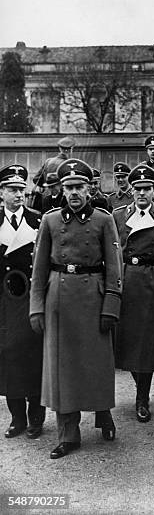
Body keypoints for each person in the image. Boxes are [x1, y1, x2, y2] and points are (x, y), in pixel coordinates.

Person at [29, 158, 122, 459]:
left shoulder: (104, 220)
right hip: (59, 296)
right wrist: (36, 307)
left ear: (90, 189)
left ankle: (102, 412)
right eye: (68, 187)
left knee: (95, 363)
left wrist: (111, 305)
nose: (73, 193)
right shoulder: (50, 220)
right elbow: (39, 268)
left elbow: (114, 267)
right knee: (62, 368)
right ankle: (68, 433)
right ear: (61, 190)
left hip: (93, 296)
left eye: (79, 187)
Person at [113, 165, 154, 423]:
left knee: (148, 343)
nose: (141, 193)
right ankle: (139, 386)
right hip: (127, 279)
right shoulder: (117, 216)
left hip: (153, 281)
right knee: (127, 339)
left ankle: (142, 397)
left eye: (147, 189)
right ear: (131, 190)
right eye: (137, 189)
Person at [0, 165, 45, 440]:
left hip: (31, 300)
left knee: (34, 357)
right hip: (4, 303)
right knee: (9, 358)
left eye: (21, 190)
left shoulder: (39, 221)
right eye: (13, 190)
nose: (19, 195)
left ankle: (36, 418)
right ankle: (17, 418)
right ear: (1, 192)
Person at [30, 136, 76, 212]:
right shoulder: (70, 164)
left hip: (45, 196)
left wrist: (48, 186)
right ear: (71, 149)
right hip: (62, 199)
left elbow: (36, 179)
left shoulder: (48, 161)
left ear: (60, 149)